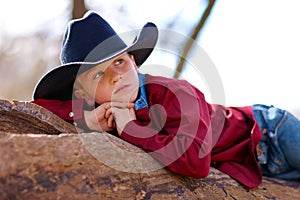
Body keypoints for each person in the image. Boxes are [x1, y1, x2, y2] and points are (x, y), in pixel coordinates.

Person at [32, 11, 300, 188]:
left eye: (120, 62)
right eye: (99, 74)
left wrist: (130, 129)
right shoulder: (100, 112)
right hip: (254, 167)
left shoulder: (175, 93)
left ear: (134, 64)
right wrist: (85, 117)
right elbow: (38, 109)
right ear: (83, 94)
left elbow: (196, 162)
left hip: (269, 133)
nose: (116, 76)